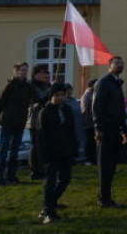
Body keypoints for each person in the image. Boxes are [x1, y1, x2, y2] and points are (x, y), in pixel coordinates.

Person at [37, 83, 78, 225]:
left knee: (65, 178)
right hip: (51, 153)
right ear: (52, 96)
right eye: (57, 95)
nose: (60, 98)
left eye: (62, 95)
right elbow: (41, 137)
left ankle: (50, 203)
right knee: (50, 182)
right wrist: (43, 157)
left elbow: (71, 131)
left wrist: (73, 149)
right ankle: (49, 211)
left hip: (65, 151)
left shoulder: (67, 110)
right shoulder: (45, 112)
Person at [92, 55, 127, 207]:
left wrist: (123, 130)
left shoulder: (117, 83)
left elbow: (120, 109)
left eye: (121, 63)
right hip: (105, 129)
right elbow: (97, 106)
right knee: (105, 164)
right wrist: (98, 127)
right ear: (109, 66)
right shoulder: (104, 83)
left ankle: (107, 195)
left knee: (112, 164)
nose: (120, 65)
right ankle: (103, 198)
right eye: (116, 63)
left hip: (115, 129)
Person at [0, 61, 32, 187]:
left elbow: (35, 98)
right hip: (8, 122)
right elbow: (0, 102)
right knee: (4, 150)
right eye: (22, 70)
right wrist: (3, 115)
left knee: (15, 150)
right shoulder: (10, 86)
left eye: (26, 70)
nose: (24, 72)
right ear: (15, 72)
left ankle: (11, 176)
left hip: (20, 122)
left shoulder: (27, 86)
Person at [27, 64, 52, 180]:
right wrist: (50, 94)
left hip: (46, 119)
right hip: (35, 119)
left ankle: (44, 167)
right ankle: (34, 170)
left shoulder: (46, 86)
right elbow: (37, 102)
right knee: (36, 145)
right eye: (43, 73)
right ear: (36, 74)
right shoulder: (31, 86)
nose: (46, 75)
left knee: (44, 145)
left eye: (47, 73)